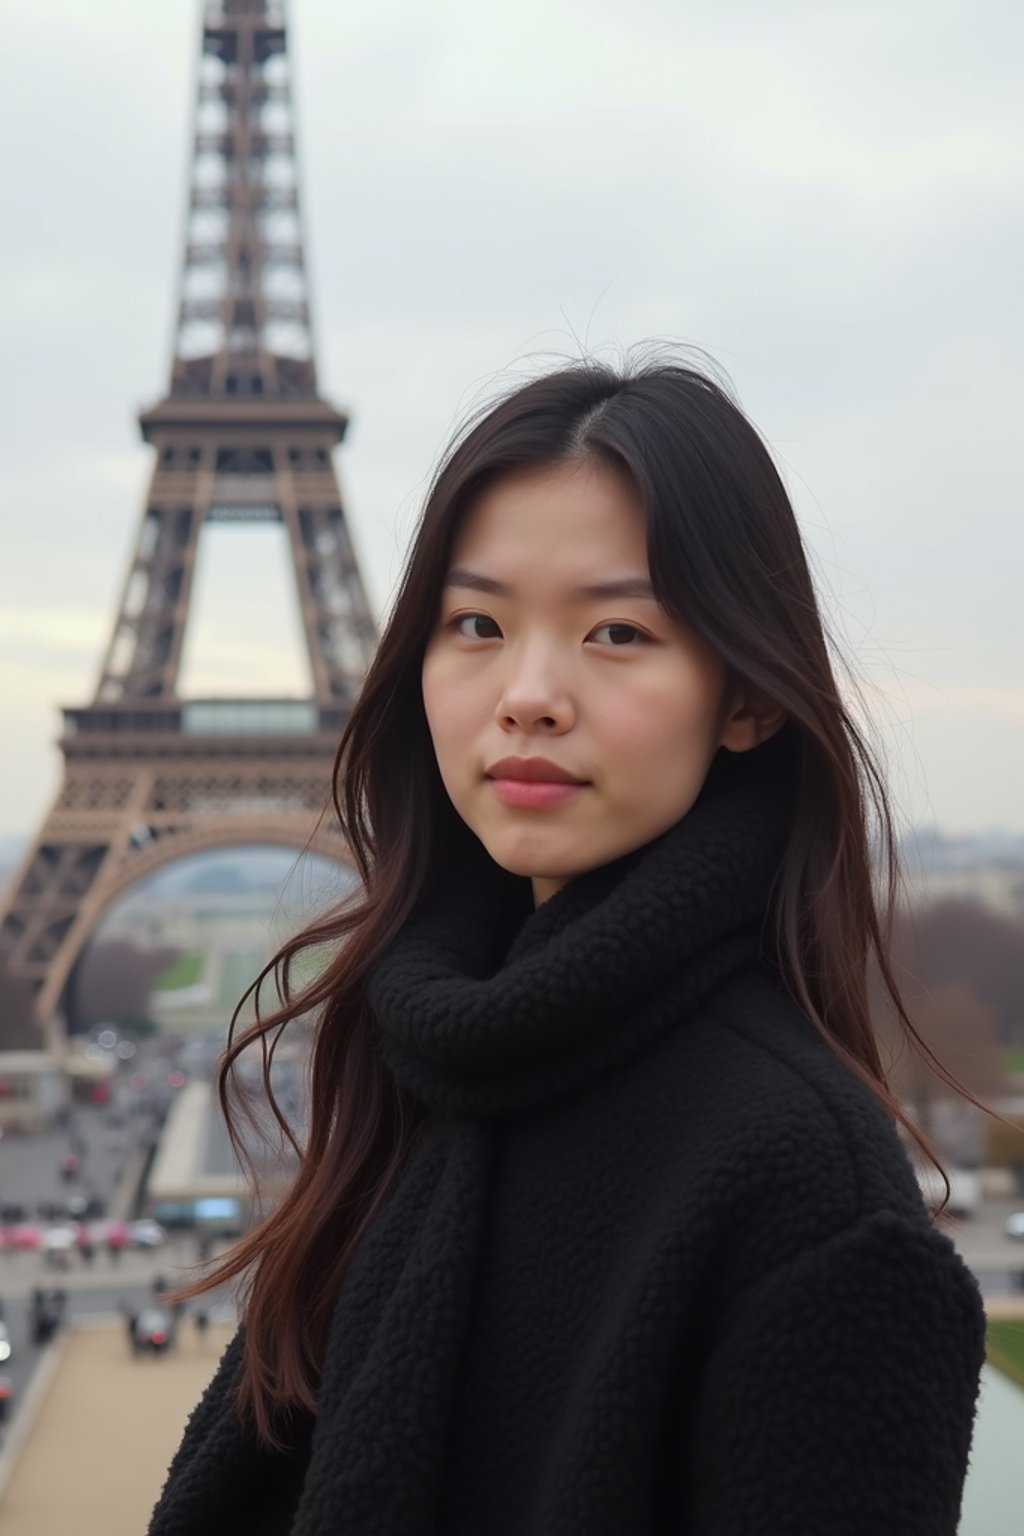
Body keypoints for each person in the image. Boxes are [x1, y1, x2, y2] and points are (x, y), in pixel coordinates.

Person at [149, 356, 986, 1536]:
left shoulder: (816, 1206)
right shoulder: (427, 1069)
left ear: (745, 696)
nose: (528, 693)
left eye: (616, 632)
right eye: (477, 622)